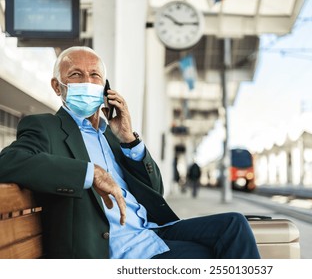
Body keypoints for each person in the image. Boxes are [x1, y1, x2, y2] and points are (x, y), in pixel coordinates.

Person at [0, 46, 260, 259]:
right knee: (209, 257)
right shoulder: (46, 127)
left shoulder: (111, 135)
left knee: (234, 226)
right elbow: (8, 162)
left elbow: (155, 190)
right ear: (58, 87)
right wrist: (92, 174)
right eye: (76, 75)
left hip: (152, 231)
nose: (87, 82)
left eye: (95, 76)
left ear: (106, 88)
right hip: (119, 248)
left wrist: (128, 138)